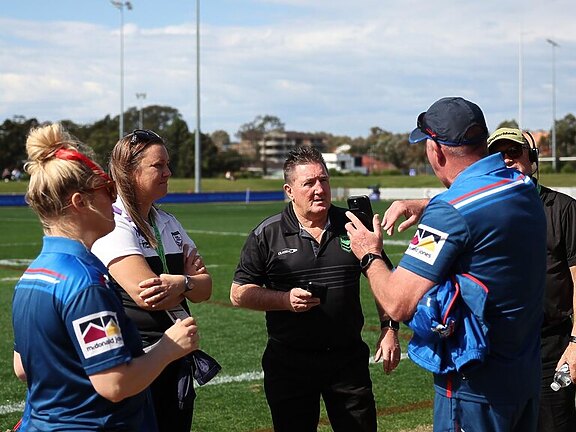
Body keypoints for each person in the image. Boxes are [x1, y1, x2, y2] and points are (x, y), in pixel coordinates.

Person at [345, 97, 547, 432]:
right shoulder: (522, 187)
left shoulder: (450, 213)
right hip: (523, 380)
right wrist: (428, 204)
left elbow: (397, 303)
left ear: (435, 151)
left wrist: (369, 253)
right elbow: (482, 205)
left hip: (474, 389)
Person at [12, 123, 199, 431]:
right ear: (79, 202)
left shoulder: (33, 275)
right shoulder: (86, 283)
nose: (115, 201)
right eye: (108, 191)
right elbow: (115, 383)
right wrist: (170, 346)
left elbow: (22, 368)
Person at [230, 146, 400, 432]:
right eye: (309, 183)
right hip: (289, 362)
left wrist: (390, 328)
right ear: (289, 190)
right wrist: (284, 300)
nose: (319, 189)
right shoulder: (267, 233)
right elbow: (238, 293)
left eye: (324, 180)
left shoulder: (353, 226)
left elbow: (383, 279)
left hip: (347, 360)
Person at [91, 129, 213, 432]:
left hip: (176, 356)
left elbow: (206, 288)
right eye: (158, 166)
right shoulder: (114, 224)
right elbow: (149, 295)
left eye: (167, 164)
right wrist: (188, 282)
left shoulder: (167, 221)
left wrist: (182, 284)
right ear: (131, 172)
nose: (168, 172)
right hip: (137, 359)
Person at [487, 127, 576, 432]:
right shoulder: (484, 211)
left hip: (550, 346)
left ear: (533, 158)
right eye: (499, 155)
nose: (507, 160)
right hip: (498, 348)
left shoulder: (562, 209)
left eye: (515, 152)